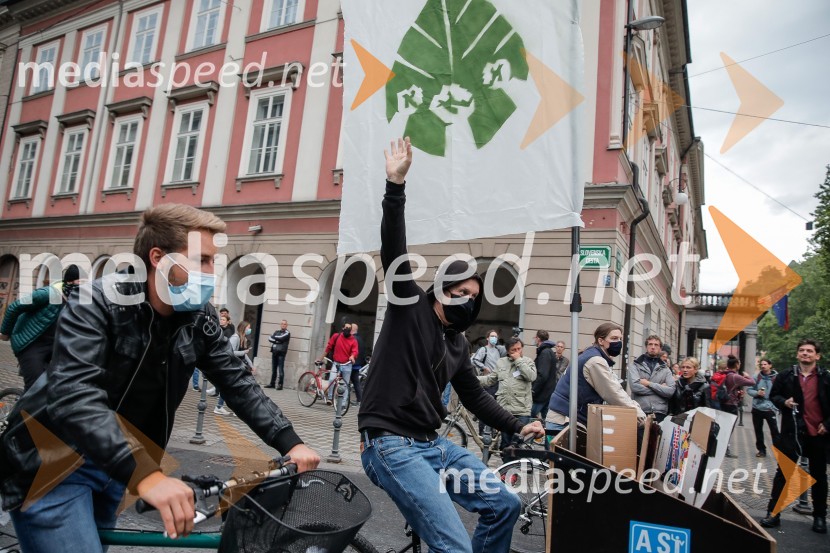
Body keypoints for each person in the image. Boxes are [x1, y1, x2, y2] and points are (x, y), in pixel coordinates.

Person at [0, 204, 320, 552]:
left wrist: (290, 441)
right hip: (54, 462)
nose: (211, 272)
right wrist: (147, 476)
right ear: (158, 258)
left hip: (119, 463)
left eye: (213, 261)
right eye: (201, 260)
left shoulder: (199, 316)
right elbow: (75, 395)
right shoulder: (97, 301)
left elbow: (237, 382)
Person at [358, 137, 544, 553]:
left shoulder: (458, 343)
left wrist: (519, 425)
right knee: (454, 546)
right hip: (390, 444)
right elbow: (393, 250)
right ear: (441, 288)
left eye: (474, 297)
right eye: (460, 292)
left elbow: (476, 397)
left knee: (505, 504)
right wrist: (395, 187)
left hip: (434, 446)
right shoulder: (409, 307)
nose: (467, 300)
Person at [761, 340, 829, 534]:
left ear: (817, 356)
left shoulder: (825, 377)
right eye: (802, 350)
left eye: (809, 351)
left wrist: (827, 424)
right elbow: (774, 396)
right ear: (798, 354)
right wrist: (785, 402)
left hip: (818, 434)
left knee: (819, 476)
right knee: (783, 474)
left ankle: (819, 517)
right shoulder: (786, 375)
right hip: (791, 433)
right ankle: (773, 514)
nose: (805, 353)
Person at [546, 323, 646, 434]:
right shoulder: (595, 361)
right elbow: (613, 392)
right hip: (564, 420)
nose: (618, 342)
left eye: (620, 339)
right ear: (601, 341)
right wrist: (639, 415)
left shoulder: (591, 355)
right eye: (614, 338)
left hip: (564, 417)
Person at [0, 264, 81, 391]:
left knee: (60, 386)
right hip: (31, 344)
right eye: (81, 282)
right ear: (70, 281)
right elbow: (14, 307)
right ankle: (24, 403)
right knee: (35, 387)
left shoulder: (78, 302)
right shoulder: (47, 294)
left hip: (53, 347)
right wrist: (5, 333)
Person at [478, 337, 537, 450]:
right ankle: (506, 461)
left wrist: (518, 360)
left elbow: (531, 376)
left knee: (518, 444)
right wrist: (474, 379)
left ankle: (517, 460)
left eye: (519, 349)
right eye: (513, 350)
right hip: (505, 410)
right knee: (506, 444)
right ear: (508, 351)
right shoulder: (501, 362)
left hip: (522, 410)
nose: (517, 352)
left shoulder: (528, 361)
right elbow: (491, 379)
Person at [627, 335, 676, 422]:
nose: (653, 347)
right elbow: (635, 387)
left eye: (656, 345)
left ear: (660, 348)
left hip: (660, 412)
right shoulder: (635, 365)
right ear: (646, 346)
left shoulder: (665, 369)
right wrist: (660, 389)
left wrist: (648, 384)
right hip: (640, 410)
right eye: (650, 344)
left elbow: (670, 391)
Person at [472, 329, 506, 435]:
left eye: (495, 336)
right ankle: (482, 432)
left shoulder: (498, 350)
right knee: (486, 408)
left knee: (495, 408)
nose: (494, 338)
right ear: (487, 338)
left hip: (497, 383)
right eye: (492, 336)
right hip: (487, 382)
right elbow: (474, 360)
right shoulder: (483, 349)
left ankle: (492, 431)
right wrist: (484, 367)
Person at [747, 358, 779, 458]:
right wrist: (757, 393)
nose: (763, 366)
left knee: (774, 431)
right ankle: (761, 450)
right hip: (757, 407)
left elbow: (781, 391)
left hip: (770, 408)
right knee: (758, 430)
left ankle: (779, 451)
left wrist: (775, 405)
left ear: (770, 365)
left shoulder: (777, 378)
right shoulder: (756, 377)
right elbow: (749, 389)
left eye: (765, 364)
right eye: (761, 364)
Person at [319, 323, 358, 403]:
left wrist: (352, 356)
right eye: (346, 328)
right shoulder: (336, 336)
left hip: (347, 364)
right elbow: (328, 347)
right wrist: (320, 358)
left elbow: (355, 351)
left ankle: (343, 403)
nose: (347, 330)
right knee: (331, 379)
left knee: (345, 384)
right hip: (336, 363)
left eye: (349, 328)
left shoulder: (353, 340)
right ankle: (330, 397)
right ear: (343, 328)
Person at [530, 330, 557, 419]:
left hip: (541, 394)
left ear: (538, 339)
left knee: (528, 416)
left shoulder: (544, 353)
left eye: (535, 338)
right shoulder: (548, 351)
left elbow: (542, 375)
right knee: (546, 419)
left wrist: (533, 390)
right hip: (546, 393)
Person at [266, 319, 290, 389]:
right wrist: (277, 341)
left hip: (281, 353)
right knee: (274, 369)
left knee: (280, 369)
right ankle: (272, 383)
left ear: (287, 325)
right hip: (274, 352)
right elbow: (270, 338)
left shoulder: (287, 333)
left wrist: (275, 339)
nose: (283, 325)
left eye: (284, 324)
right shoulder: (276, 332)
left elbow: (281, 338)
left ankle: (280, 385)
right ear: (280, 324)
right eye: (282, 324)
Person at [349, 323, 366, 406]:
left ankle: (343, 399)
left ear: (352, 330)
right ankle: (359, 400)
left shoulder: (353, 338)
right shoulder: (360, 338)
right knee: (356, 382)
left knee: (344, 381)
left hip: (351, 363)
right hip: (357, 364)